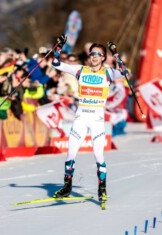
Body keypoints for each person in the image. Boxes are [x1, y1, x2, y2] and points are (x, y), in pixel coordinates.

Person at [52, 34, 126, 207]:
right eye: (92, 53)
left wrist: (115, 54)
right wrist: (58, 47)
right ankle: (67, 187)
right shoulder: (80, 70)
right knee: (71, 152)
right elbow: (56, 64)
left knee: (98, 154)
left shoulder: (108, 72)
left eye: (98, 54)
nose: (94, 56)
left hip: (97, 119)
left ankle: (102, 189)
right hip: (81, 117)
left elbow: (124, 72)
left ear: (103, 57)